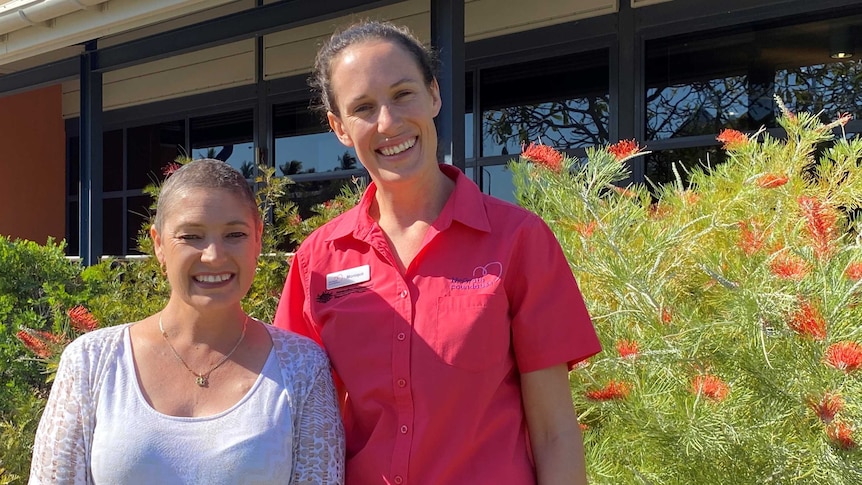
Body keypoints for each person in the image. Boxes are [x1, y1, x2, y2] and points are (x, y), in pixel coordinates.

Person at [273, 21, 601, 485]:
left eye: (403, 93)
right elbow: (298, 422)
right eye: (363, 108)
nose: (388, 122)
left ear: (433, 95)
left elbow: (555, 433)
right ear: (340, 128)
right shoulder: (319, 259)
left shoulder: (518, 240)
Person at [30, 159, 344, 484]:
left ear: (258, 239)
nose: (213, 255)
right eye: (191, 236)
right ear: (159, 244)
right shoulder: (91, 363)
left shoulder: (302, 369)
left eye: (234, 234)